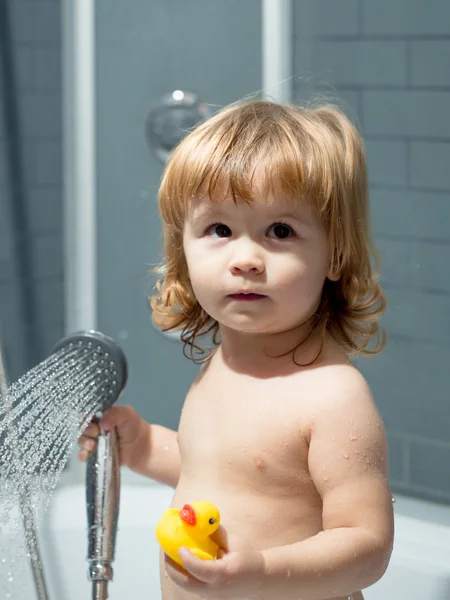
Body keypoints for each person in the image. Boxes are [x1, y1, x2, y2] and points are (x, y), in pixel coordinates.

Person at [78, 99, 394, 600]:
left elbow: (366, 544)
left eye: (280, 231)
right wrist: (139, 445)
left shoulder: (333, 396)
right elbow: (220, 474)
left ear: (334, 252)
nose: (246, 258)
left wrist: (263, 572)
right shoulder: (222, 363)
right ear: (182, 249)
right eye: (220, 230)